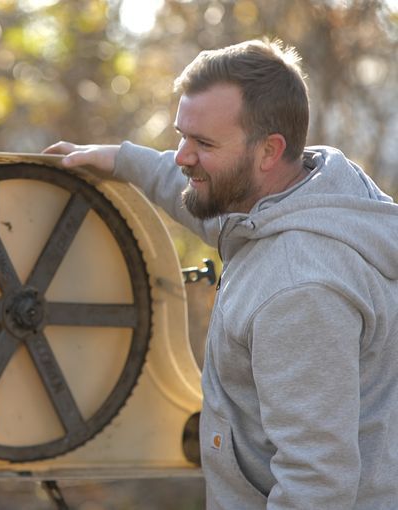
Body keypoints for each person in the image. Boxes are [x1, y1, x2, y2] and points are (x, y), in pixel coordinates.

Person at [44, 39, 398, 509]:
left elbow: (315, 484)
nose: (182, 156)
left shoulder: (300, 288)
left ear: (269, 150)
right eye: (181, 136)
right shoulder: (310, 192)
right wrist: (122, 159)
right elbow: (206, 199)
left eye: (203, 143)